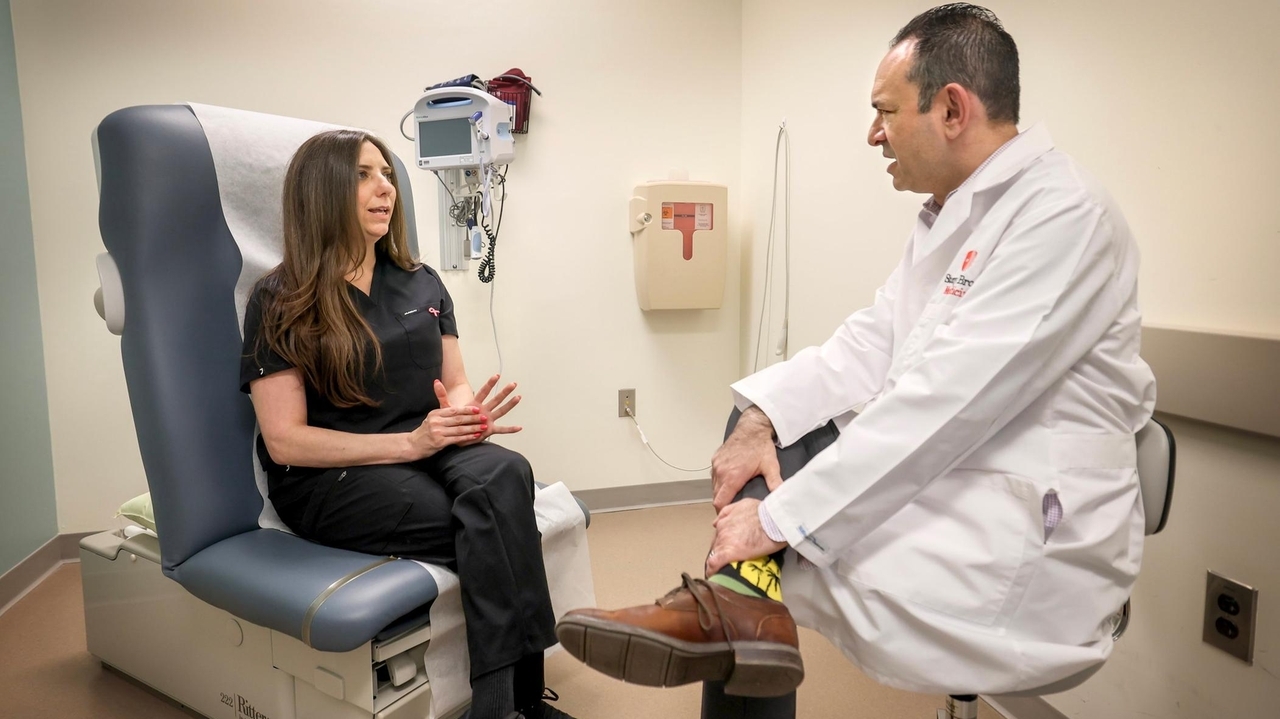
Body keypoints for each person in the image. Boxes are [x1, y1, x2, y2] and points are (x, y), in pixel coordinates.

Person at [555, 4, 1156, 716]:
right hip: (956, 477)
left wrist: (776, 521)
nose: (874, 133)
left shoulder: (1063, 216)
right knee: (769, 432)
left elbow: (944, 403)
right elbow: (871, 343)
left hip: (1028, 533)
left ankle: (734, 602)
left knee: (763, 564)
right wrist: (757, 417)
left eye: (886, 111)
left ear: (953, 109)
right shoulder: (954, 216)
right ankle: (738, 605)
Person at [240, 129, 573, 719]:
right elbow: (283, 438)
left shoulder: (420, 280)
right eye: (365, 175)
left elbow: (457, 379)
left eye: (388, 175)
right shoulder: (280, 300)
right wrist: (410, 442)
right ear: (322, 192)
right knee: (490, 519)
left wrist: (467, 415)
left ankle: (506, 704)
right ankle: (508, 704)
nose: (384, 188)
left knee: (506, 474)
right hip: (334, 474)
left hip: (430, 441)